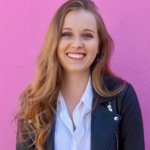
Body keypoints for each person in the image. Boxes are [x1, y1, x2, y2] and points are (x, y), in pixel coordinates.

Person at [16, 0, 145, 150]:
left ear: (99, 45)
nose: (77, 44)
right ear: (54, 43)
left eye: (87, 35)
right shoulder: (33, 102)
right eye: (67, 34)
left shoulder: (122, 97)